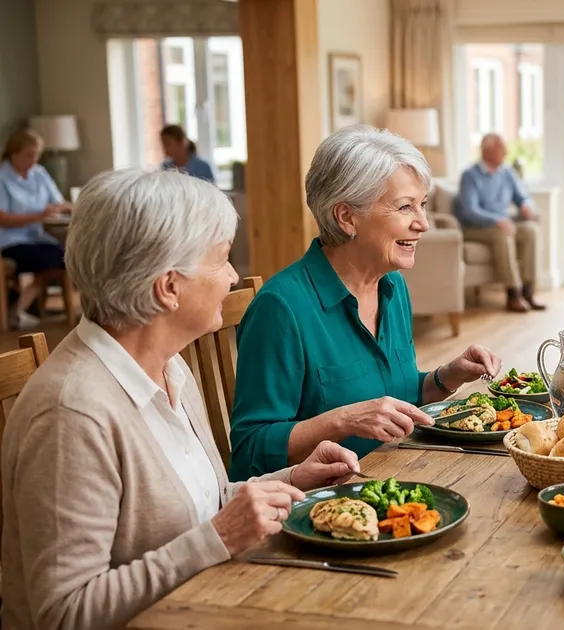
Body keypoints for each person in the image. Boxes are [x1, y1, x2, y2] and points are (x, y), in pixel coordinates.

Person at [0, 168, 361, 630]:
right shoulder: (71, 414)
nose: (233, 276)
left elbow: (191, 508)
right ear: (168, 287)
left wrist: (293, 478)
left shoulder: (170, 366)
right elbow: (65, 613)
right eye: (221, 258)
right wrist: (218, 537)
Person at [229, 125, 502, 481]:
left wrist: (446, 377)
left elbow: (391, 397)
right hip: (320, 507)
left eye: (421, 205)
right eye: (405, 207)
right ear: (347, 217)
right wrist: (342, 420)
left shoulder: (392, 286)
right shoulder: (280, 308)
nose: (423, 224)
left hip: (399, 478)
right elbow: (249, 450)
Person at [454, 133, 543, 312]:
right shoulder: (470, 175)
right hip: (475, 227)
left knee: (531, 230)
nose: (506, 152)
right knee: (501, 233)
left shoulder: (507, 172)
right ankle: (513, 293)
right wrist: (496, 220)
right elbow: (470, 210)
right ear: (487, 152)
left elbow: (523, 196)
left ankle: (528, 290)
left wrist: (526, 205)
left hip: (503, 224)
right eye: (501, 148)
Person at [0, 128, 71, 328]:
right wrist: (39, 215)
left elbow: (58, 202)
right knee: (55, 258)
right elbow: (3, 218)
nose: (33, 160)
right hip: (10, 241)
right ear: (13, 153)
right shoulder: (2, 177)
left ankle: (20, 308)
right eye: (28, 155)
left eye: (36, 155)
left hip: (37, 237)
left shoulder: (39, 173)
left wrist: (69, 207)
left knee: (65, 255)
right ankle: (17, 310)